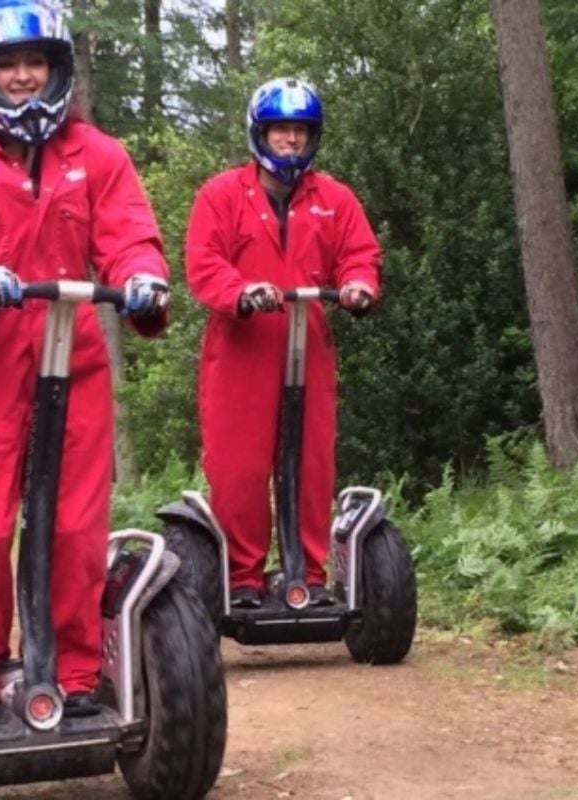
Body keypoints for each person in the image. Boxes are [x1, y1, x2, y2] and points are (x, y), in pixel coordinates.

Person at [0, 0, 170, 728]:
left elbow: (131, 237)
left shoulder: (98, 155)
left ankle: (73, 672)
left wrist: (142, 280)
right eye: (6, 65)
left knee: (75, 525)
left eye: (34, 63)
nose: (20, 77)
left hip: (72, 359)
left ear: (57, 70)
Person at [184, 77, 381, 609]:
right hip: (242, 346)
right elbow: (203, 264)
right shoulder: (221, 195)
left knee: (310, 460)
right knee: (238, 467)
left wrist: (360, 284)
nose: (290, 140)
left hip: (308, 344)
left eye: (300, 131)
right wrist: (240, 292)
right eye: (280, 131)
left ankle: (309, 575)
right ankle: (243, 579)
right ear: (260, 133)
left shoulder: (333, 198)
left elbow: (358, 254)